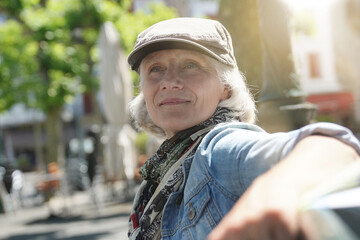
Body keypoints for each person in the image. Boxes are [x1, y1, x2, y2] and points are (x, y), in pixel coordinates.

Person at [126, 17, 360, 240]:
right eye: (155, 69)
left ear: (226, 88)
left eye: (190, 65)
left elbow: (333, 148)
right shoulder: (158, 176)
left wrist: (272, 192)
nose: (169, 81)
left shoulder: (218, 148)